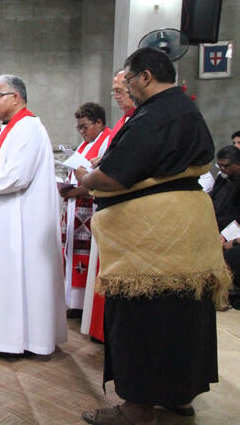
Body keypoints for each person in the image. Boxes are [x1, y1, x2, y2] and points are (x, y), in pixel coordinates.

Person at [77, 47, 232, 424]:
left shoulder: (154, 115)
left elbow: (114, 175)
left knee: (142, 318)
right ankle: (179, 396)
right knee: (184, 315)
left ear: (145, 76)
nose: (128, 89)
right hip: (188, 228)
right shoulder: (185, 109)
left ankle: (137, 408)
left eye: (129, 81)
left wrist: (86, 178)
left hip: (153, 237)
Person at [0, 74, 66, 357]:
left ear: (16, 98)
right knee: (4, 276)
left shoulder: (28, 127)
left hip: (20, 220)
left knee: (16, 276)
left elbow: (17, 176)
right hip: (4, 214)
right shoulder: (8, 129)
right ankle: (3, 337)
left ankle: (17, 341)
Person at [81, 70, 135, 341]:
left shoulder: (140, 120)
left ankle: (107, 331)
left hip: (127, 209)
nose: (115, 96)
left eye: (119, 91)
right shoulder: (126, 120)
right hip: (109, 205)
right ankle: (100, 328)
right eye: (114, 91)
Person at [60, 102, 111, 319]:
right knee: (72, 254)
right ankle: (74, 302)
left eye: (85, 126)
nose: (82, 131)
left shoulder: (107, 141)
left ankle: (85, 305)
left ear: (99, 123)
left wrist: (75, 191)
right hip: (75, 207)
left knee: (87, 258)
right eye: (79, 127)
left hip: (91, 208)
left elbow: (103, 178)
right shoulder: (84, 145)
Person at [211, 146, 240, 295]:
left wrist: (227, 236)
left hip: (231, 230)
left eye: (225, 166)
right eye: (219, 165)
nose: (222, 169)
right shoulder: (222, 180)